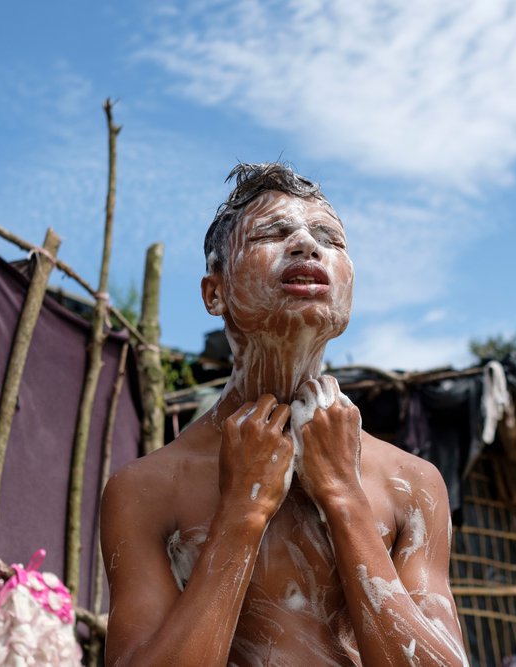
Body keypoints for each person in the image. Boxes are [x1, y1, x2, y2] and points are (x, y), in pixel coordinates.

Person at [100, 163, 467, 666]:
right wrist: (241, 514)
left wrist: (343, 497)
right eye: (273, 233)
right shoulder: (148, 489)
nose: (305, 244)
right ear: (215, 293)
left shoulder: (413, 482)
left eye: (329, 239)